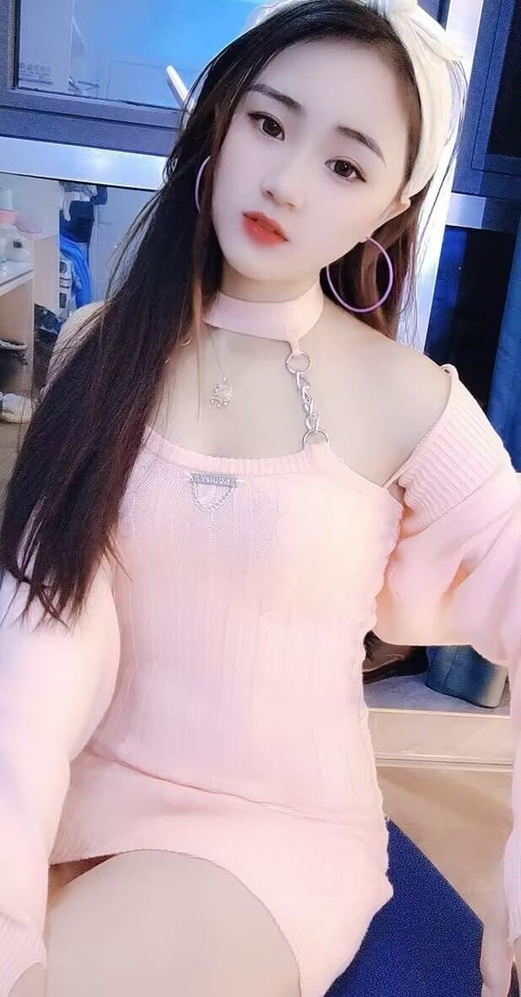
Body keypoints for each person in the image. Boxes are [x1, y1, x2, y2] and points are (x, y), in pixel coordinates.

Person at [0, 1, 519, 995]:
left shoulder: (408, 401)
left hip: (264, 831)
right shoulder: (100, 348)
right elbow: (38, 629)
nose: (284, 180)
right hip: (69, 783)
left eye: (344, 165)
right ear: (222, 122)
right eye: (269, 123)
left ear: (390, 206)